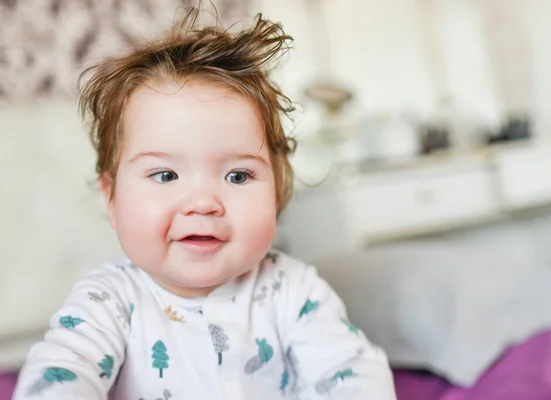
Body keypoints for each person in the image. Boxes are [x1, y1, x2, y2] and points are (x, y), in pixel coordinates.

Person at [12, 6, 396, 399]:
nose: (203, 203)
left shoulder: (294, 292)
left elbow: (351, 371)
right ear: (112, 197)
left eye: (238, 176)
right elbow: (61, 374)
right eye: (165, 175)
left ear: (278, 191)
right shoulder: (107, 301)